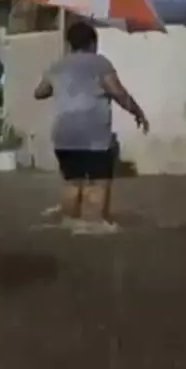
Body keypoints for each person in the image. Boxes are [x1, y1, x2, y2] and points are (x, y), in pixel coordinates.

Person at [34, 21, 149, 224]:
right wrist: (137, 112)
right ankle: (94, 227)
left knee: (72, 182)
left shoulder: (57, 65)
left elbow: (39, 92)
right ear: (93, 43)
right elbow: (117, 92)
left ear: (69, 44)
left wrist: (61, 85)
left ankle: (69, 224)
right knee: (98, 183)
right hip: (94, 135)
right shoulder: (100, 63)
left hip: (64, 136)